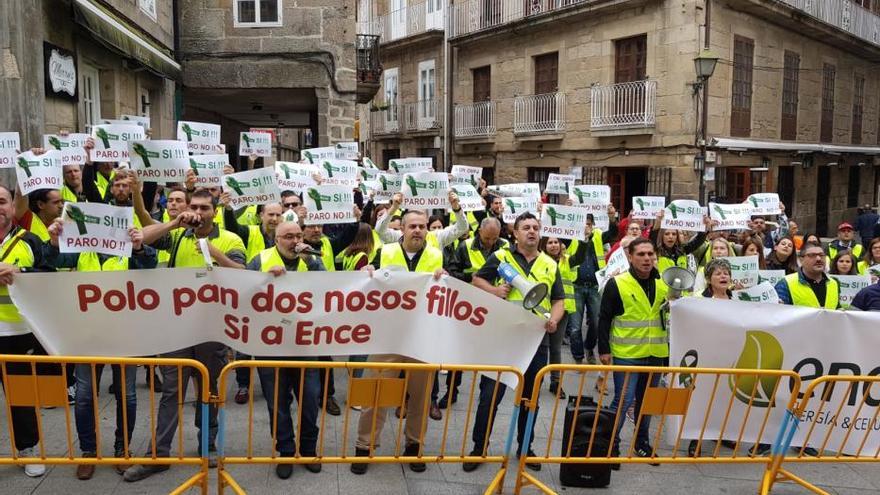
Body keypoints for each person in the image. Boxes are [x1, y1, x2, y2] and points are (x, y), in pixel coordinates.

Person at [124, 189, 246, 482]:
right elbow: (141, 238)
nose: (198, 212)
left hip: (211, 331)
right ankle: (158, 454)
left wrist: (209, 249)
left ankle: (208, 446)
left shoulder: (230, 239)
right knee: (171, 392)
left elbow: (241, 271)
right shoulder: (178, 235)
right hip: (178, 329)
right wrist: (174, 223)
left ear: (215, 212)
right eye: (194, 206)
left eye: (205, 207)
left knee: (210, 390)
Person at [45, 219, 157, 480]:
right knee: (84, 396)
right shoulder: (81, 249)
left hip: (125, 337)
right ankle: (88, 452)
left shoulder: (132, 249)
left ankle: (122, 450)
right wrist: (53, 241)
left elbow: (149, 266)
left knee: (126, 395)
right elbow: (51, 261)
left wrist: (139, 247)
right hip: (88, 337)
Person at [462, 212, 565, 473]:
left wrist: (554, 319)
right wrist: (495, 291)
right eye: (526, 228)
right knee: (489, 396)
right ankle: (478, 448)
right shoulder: (501, 257)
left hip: (535, 341)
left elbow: (558, 300)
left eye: (535, 228)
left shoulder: (550, 264)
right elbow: (477, 279)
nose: (532, 231)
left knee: (531, 399)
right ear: (515, 233)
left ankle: (525, 448)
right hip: (503, 338)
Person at [350, 208, 449, 475]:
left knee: (420, 397)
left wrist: (446, 280)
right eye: (412, 226)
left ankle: (414, 446)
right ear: (402, 229)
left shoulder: (437, 256)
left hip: (422, 337)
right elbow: (371, 282)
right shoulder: (387, 252)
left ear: (428, 229)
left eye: (422, 226)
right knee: (376, 391)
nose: (417, 230)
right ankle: (364, 447)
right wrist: (369, 272)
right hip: (389, 335)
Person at [246, 215, 325, 479]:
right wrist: (264, 280)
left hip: (305, 343)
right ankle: (286, 451)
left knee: (311, 398)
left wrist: (310, 261)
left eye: (298, 237)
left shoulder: (312, 261)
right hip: (271, 346)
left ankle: (309, 448)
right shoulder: (260, 260)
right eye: (288, 237)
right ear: (276, 239)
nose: (295, 242)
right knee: (277, 402)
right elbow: (243, 293)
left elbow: (329, 289)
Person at [597, 238, 671, 465]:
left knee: (647, 402)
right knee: (623, 400)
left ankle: (642, 443)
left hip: (655, 353)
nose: (647, 259)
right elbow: (604, 318)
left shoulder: (663, 284)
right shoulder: (617, 283)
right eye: (641, 254)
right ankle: (611, 445)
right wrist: (604, 349)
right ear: (630, 256)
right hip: (627, 353)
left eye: (650, 254)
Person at [0, 185, 54, 478]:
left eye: (2, 202)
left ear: (13, 207)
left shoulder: (30, 240)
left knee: (21, 397)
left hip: (17, 333)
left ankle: (29, 449)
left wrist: (23, 275)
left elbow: (49, 276)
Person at [439, 217, 507, 408]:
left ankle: (485, 394)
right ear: (480, 233)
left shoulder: (506, 247)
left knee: (490, 350)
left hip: (495, 305)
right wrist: (475, 278)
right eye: (487, 239)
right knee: (459, 349)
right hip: (469, 303)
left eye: (494, 239)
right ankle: (451, 391)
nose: (491, 243)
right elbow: (452, 271)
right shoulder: (465, 246)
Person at [688, 258, 734, 457]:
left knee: (724, 397)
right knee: (701, 398)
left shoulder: (738, 300)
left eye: (726, 273)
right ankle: (695, 439)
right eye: (718, 273)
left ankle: (720, 432)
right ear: (708, 279)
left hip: (731, 356)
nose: (723, 276)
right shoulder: (698, 299)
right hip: (705, 356)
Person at [567, 207, 618, 367]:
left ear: (594, 225)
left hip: (596, 286)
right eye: (584, 224)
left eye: (589, 224)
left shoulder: (598, 236)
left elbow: (612, 233)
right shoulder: (570, 238)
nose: (586, 227)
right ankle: (578, 357)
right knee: (575, 327)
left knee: (596, 323)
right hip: (576, 286)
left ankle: (589, 347)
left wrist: (612, 218)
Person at [540, 235, 586, 399]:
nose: (553, 245)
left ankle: (556, 382)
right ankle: (535, 380)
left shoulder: (567, 260)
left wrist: (584, 240)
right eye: (550, 243)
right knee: (540, 347)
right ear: (544, 246)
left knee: (555, 347)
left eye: (556, 243)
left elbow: (580, 256)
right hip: (541, 309)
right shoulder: (539, 261)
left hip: (562, 310)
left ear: (560, 245)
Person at [774, 242, 840, 309]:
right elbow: (780, 314)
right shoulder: (786, 283)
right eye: (812, 255)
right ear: (801, 259)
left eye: (821, 255)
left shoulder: (834, 283)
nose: (818, 259)